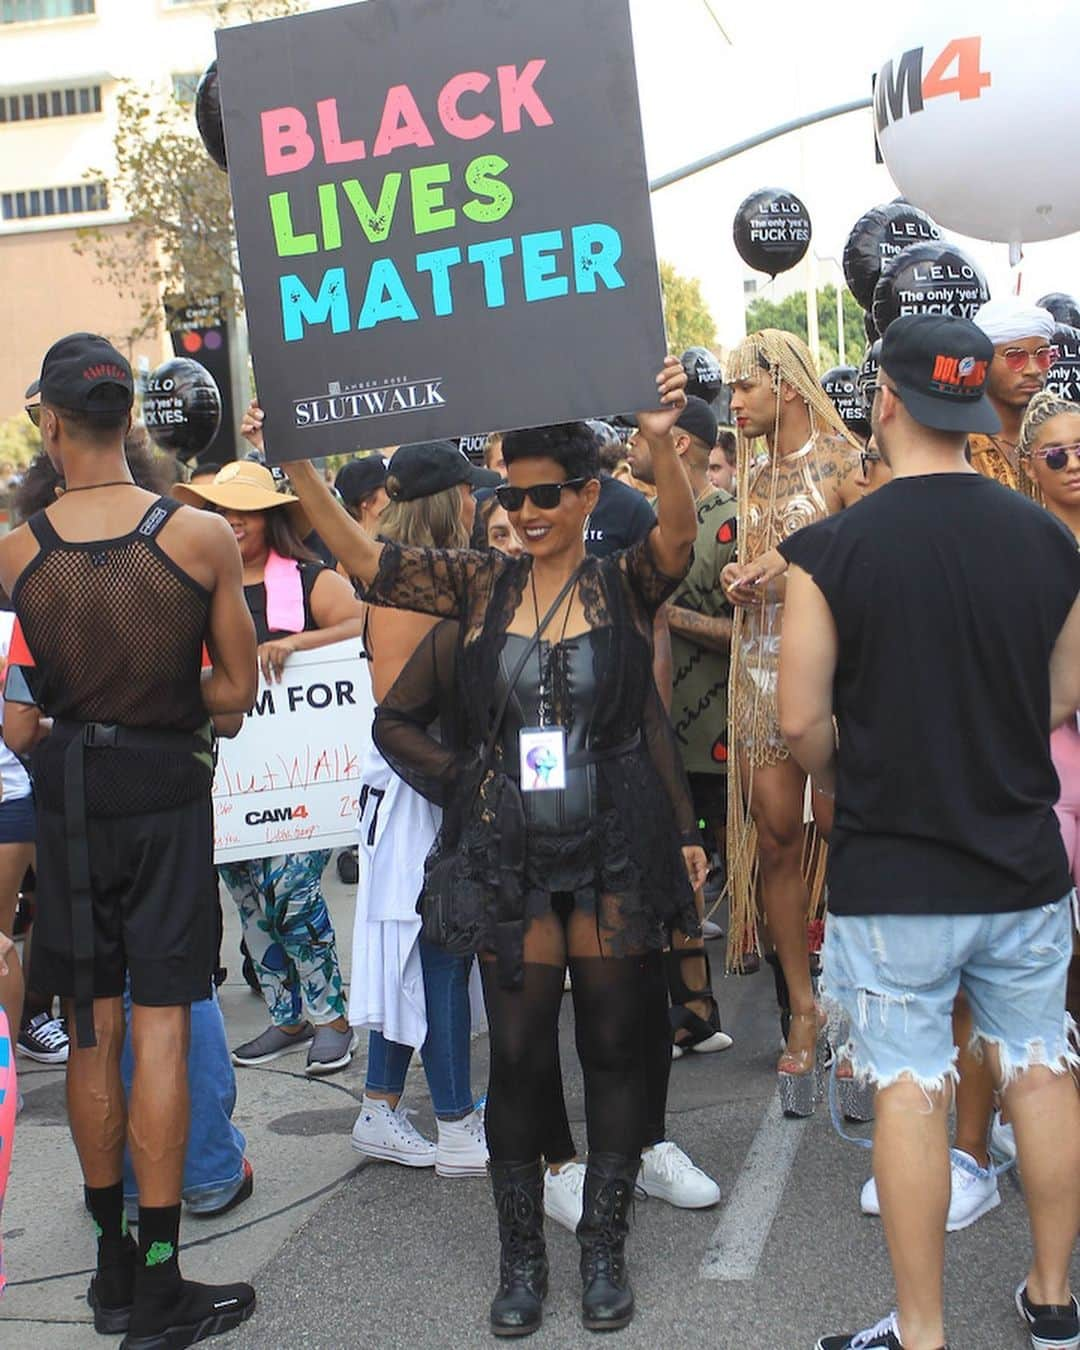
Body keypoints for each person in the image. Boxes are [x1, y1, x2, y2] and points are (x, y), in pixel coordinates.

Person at [279, 358, 705, 1337]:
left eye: (549, 493)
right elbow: (363, 558)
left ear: (589, 493)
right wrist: (299, 463)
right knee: (515, 1056)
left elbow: (677, 535)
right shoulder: (477, 585)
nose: (531, 510)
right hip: (509, 857)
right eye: (514, 495)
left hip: (607, 853)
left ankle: (602, 1249)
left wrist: (660, 438)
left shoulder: (620, 582)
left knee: (611, 1052)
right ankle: (521, 1263)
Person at [776, 314, 1080, 1350]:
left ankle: (922, 1333)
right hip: (1021, 859)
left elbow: (800, 724)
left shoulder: (830, 548)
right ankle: (1051, 1297)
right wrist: (987, 732)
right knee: (1041, 1066)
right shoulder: (1048, 537)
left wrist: (859, 761)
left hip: (894, 863)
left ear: (888, 400)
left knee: (909, 1089)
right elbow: (1066, 688)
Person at [2, 333, 257, 1346]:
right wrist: (162, 699)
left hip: (68, 796)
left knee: (92, 1025)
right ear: (130, 420)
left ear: (52, 423)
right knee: (160, 1024)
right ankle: (157, 1279)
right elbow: (234, 697)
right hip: (163, 789)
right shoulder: (198, 538)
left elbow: (18, 723)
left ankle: (115, 1272)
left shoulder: (18, 555)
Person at [175, 462, 364, 1076]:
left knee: (292, 889)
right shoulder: (197, 586)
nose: (232, 522)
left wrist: (293, 644)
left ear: (271, 518)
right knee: (251, 900)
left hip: (300, 778)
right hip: (229, 778)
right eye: (221, 511)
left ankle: (333, 1017)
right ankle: (288, 1018)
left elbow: (363, 620)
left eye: (245, 511)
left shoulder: (307, 578)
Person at [345, 440, 498, 1177]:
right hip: (420, 785)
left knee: (415, 953)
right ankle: (458, 1124)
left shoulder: (397, 575)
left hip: (408, 785)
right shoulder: (417, 587)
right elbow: (403, 711)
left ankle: (379, 1104)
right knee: (439, 951)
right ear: (457, 502)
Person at [720, 329, 862, 1115]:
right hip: (757, 673)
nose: (733, 403)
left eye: (745, 387)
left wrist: (795, 559)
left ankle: (855, 1001)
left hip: (835, 679)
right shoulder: (749, 469)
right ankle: (802, 1008)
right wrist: (746, 577)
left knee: (849, 840)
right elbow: (760, 562)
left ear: (787, 384)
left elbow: (873, 553)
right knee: (775, 837)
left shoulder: (845, 461)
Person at [627, 396, 736, 1057]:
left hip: (719, 734)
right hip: (670, 734)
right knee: (679, 867)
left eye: (644, 437)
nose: (629, 447)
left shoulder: (726, 523)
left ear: (682, 445)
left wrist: (670, 616)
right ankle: (693, 1012)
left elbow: (745, 628)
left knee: (710, 860)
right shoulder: (654, 523)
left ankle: (733, 1006)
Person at [1019, 390, 1080, 1075]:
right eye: (1057, 453)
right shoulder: (1021, 545)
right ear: (1032, 466)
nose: (1073, 465)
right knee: (1046, 939)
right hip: (1049, 752)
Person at [967, 299, 1057, 490]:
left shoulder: (1063, 438)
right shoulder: (958, 446)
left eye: (1043, 356)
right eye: (1015, 357)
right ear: (984, 361)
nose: (1033, 370)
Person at [335, 454, 389, 534]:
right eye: (388, 489)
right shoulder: (335, 543)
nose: (396, 495)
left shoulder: (395, 541)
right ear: (365, 500)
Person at [707, 429, 737, 495]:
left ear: (735, 467)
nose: (707, 477)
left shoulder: (749, 502)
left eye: (715, 468)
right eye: (702, 468)